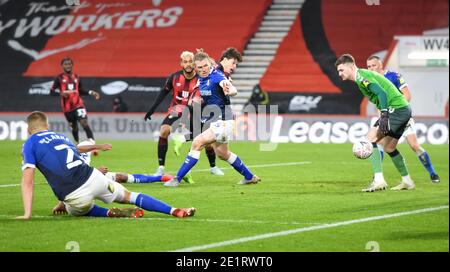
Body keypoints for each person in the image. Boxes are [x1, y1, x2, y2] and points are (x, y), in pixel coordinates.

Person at [17, 111, 196, 219]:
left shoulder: (30, 143)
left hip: (75, 196)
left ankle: (107, 213)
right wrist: (97, 146)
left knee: (78, 210)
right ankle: (175, 210)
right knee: (130, 196)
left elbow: (28, 181)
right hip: (94, 178)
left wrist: (27, 214)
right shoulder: (61, 136)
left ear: (28, 129)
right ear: (47, 125)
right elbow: (74, 153)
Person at [163, 49, 261, 187]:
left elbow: (230, 88)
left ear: (210, 64)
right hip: (219, 122)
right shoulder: (201, 78)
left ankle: (176, 179)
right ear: (196, 68)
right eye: (200, 67)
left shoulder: (217, 76)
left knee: (197, 142)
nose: (203, 69)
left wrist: (231, 91)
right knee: (222, 153)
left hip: (223, 121)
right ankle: (249, 177)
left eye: (205, 66)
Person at [335, 54, 414, 192]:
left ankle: (378, 180)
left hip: (396, 109)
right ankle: (407, 181)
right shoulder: (362, 77)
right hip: (402, 109)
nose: (339, 74)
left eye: (341, 70)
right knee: (389, 148)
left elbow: (382, 93)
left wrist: (384, 114)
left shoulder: (361, 76)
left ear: (350, 66)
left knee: (369, 139)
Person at [144, 51, 224, 181]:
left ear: (195, 63)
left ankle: (213, 167)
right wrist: (151, 110)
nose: (188, 64)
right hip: (176, 111)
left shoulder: (201, 78)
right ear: (181, 63)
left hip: (195, 112)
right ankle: (161, 168)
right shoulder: (174, 78)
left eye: (191, 61)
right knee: (164, 131)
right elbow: (162, 94)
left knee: (207, 142)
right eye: (185, 61)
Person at [366, 55, 440, 183]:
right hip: (387, 117)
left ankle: (432, 173)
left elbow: (407, 96)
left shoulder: (394, 76)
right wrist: (382, 117)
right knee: (382, 145)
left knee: (414, 145)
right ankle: (377, 177)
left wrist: (395, 111)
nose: (371, 68)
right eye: (368, 66)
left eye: (374, 65)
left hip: (401, 116)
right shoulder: (372, 82)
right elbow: (379, 103)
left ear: (381, 65)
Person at [50, 57, 100, 144]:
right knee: (74, 127)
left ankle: (93, 144)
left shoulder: (77, 77)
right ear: (62, 66)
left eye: (69, 64)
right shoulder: (59, 78)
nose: (68, 66)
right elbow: (51, 91)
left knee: (84, 123)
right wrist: (60, 93)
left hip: (78, 105)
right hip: (67, 109)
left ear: (72, 65)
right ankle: (77, 143)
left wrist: (91, 92)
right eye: (65, 64)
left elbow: (80, 90)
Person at [77, 139, 173, 184]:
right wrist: (96, 171)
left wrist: (97, 147)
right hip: (86, 180)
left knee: (121, 176)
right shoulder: (66, 161)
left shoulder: (79, 148)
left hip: (89, 174)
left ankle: (160, 178)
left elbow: (89, 141)